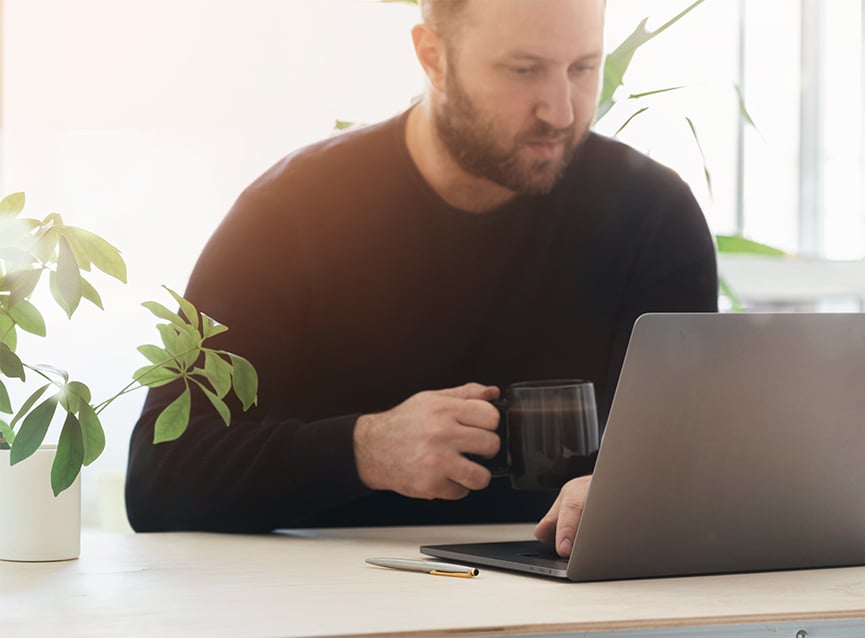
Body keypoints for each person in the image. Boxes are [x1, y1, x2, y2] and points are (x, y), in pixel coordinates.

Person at [124, 0, 718, 558]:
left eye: (583, 68)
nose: (561, 111)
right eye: (523, 70)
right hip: (334, 603)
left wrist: (632, 492)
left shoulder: (654, 216)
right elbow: (161, 476)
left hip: (582, 608)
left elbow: (698, 456)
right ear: (433, 57)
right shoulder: (290, 213)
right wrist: (363, 451)